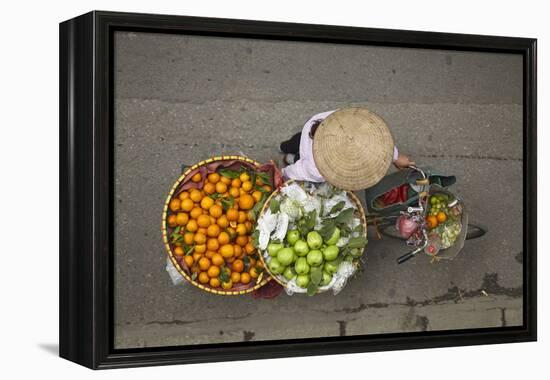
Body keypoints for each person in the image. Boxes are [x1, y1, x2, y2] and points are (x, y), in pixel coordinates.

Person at [279, 107, 414, 190]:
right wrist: (283, 174)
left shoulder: (350, 119)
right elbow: (300, 170)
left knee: (296, 140)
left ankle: (285, 147)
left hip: (312, 127)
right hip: (308, 148)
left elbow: (377, 143)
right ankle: (289, 155)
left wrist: (395, 157)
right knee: (300, 157)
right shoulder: (317, 169)